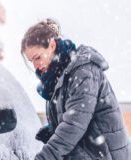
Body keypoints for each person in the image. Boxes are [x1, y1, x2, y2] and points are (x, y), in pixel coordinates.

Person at [20, 18, 131, 160]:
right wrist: (52, 130)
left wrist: (45, 156)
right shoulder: (56, 79)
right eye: (31, 61)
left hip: (106, 154)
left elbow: (74, 125)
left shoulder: (83, 72)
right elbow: (73, 117)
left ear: (52, 45)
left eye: (37, 57)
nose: (35, 66)